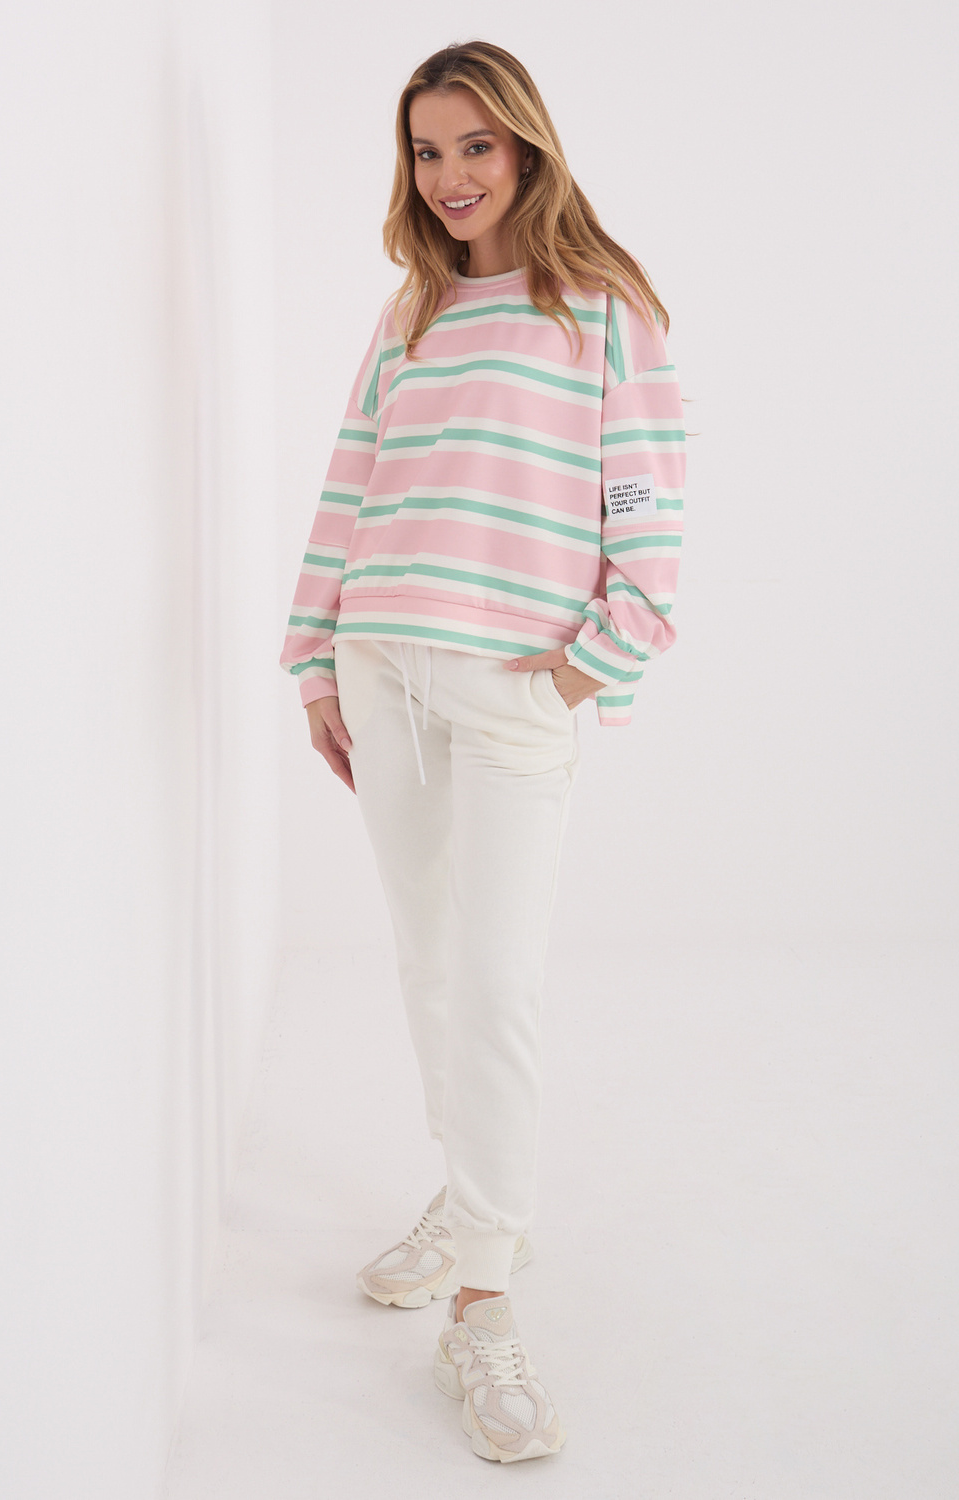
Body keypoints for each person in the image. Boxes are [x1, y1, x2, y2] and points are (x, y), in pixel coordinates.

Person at [279, 39, 687, 1464]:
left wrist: (593, 664)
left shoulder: (605, 307)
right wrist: (316, 656)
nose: (450, 176)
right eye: (427, 150)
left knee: (497, 983)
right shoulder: (413, 312)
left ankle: (484, 1303)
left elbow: (648, 512)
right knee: (432, 965)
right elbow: (350, 480)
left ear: (526, 146)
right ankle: (474, 1202)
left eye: (475, 146)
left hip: (517, 688)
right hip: (382, 665)